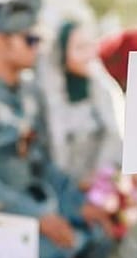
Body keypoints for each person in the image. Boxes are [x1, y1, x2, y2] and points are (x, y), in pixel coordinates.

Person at [0, 0, 115, 258]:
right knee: (63, 254)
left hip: (42, 204)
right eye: (29, 40)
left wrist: (76, 204)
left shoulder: (29, 93)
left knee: (98, 236)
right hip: (2, 219)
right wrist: (39, 217)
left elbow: (43, 163)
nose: (38, 48)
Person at [37, 21, 124, 185]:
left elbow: (115, 133)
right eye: (79, 48)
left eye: (89, 46)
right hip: (60, 189)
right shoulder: (48, 95)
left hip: (101, 186)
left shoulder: (100, 87)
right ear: (62, 53)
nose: (89, 55)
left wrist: (97, 179)